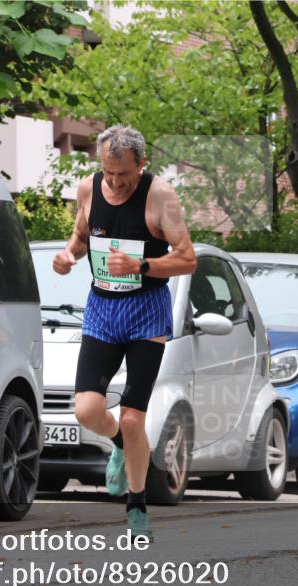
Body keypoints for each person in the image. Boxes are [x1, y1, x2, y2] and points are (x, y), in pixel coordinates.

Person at [52, 125, 196, 540]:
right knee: (86, 411)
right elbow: (81, 237)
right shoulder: (88, 188)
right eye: (108, 173)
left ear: (142, 164)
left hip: (146, 312)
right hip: (102, 309)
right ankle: (116, 442)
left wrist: (142, 266)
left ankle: (136, 504)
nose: (115, 182)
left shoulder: (160, 197)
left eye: (124, 175)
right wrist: (68, 255)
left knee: (134, 419)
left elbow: (187, 259)